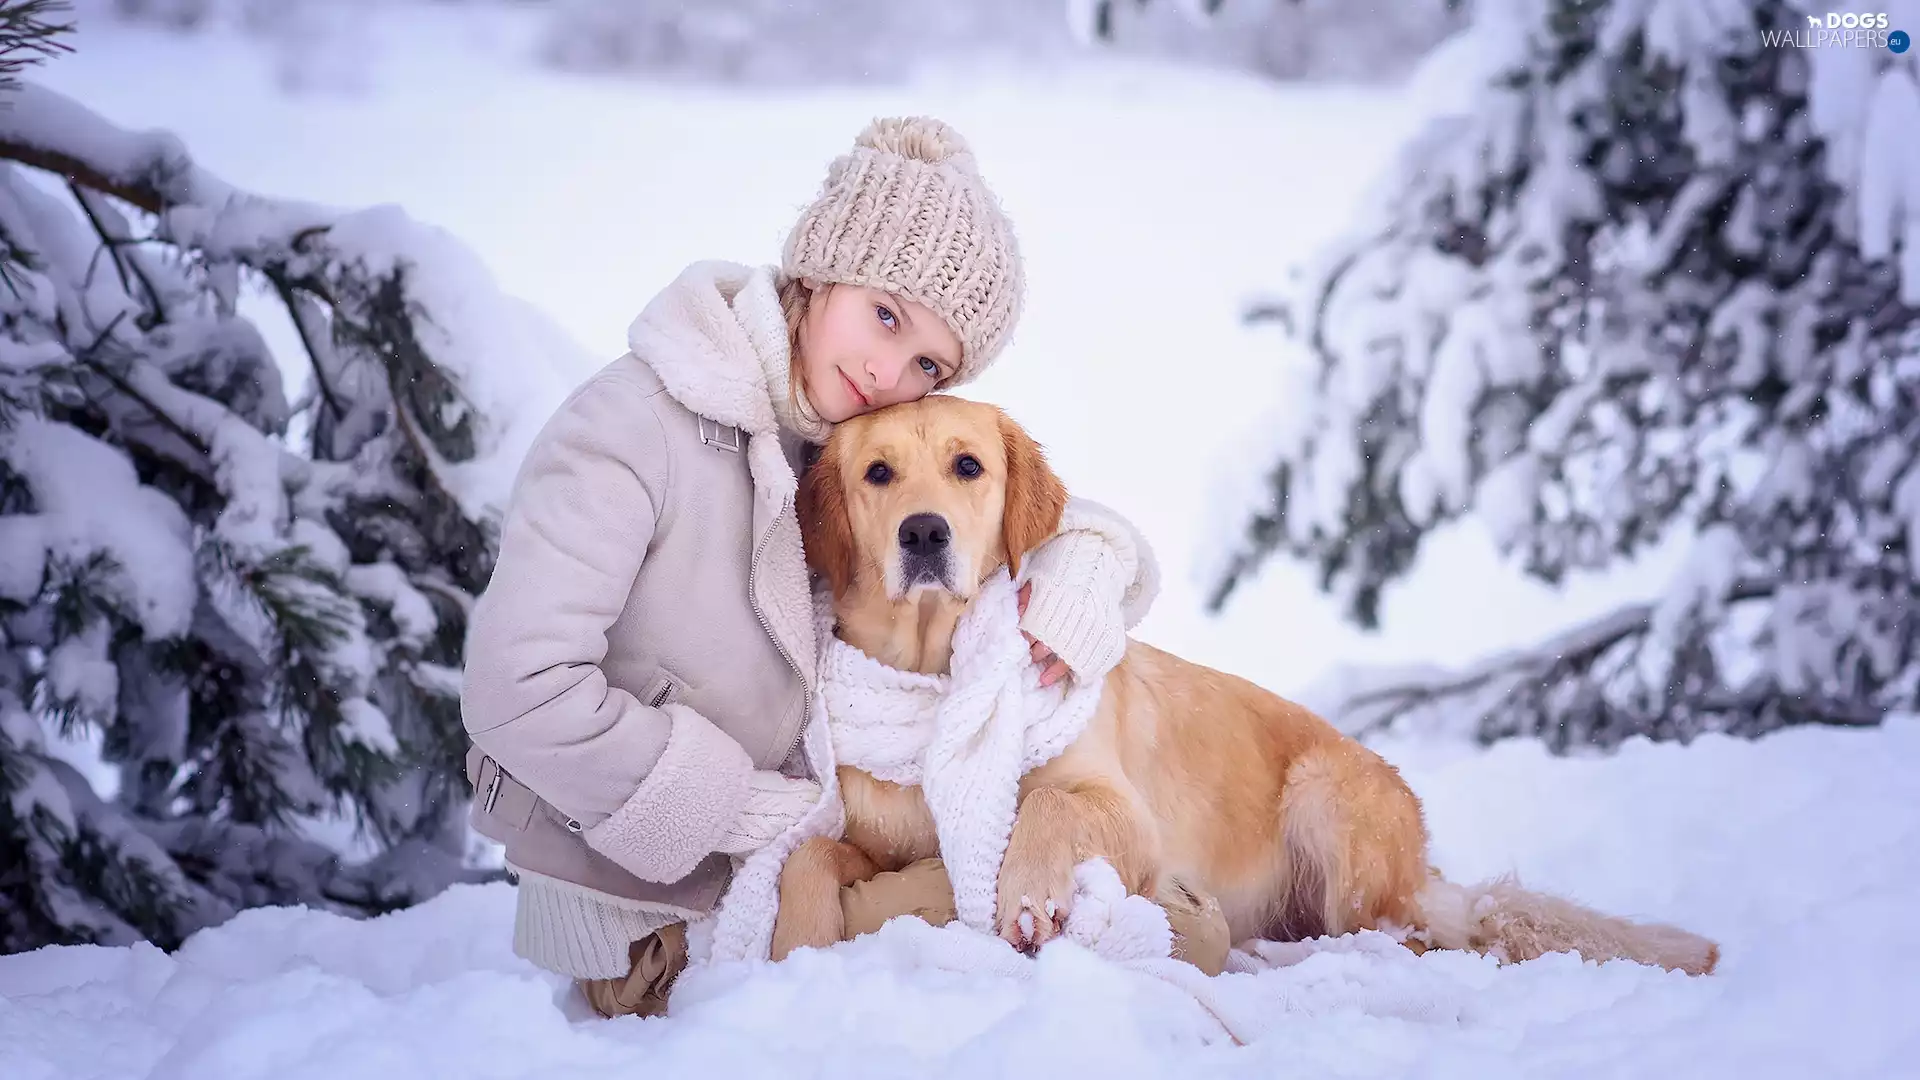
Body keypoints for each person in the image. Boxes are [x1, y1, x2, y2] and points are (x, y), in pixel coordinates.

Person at [459, 116, 1197, 1021]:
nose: (889, 373)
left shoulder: (828, 430)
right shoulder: (630, 427)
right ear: (818, 270)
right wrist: (734, 808)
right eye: (884, 315)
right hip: (659, 914)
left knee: (1117, 905)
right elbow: (515, 692)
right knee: (1147, 927)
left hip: (803, 860)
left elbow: (990, 499)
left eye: (928, 362)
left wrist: (1084, 567)